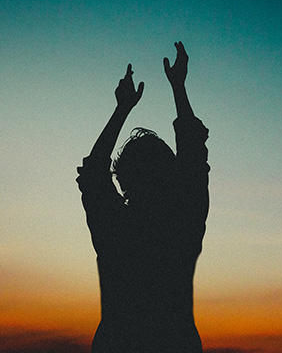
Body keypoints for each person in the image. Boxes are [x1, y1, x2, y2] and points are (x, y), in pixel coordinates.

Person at [77, 42, 209, 353]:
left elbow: (93, 173)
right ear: (170, 174)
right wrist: (178, 87)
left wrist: (122, 108)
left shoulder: (114, 227)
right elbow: (193, 157)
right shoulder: (183, 223)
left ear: (123, 177)